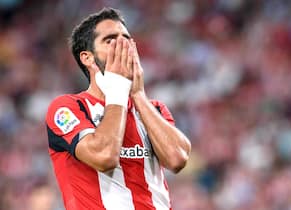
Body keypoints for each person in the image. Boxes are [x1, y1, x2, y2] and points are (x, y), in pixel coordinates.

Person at [45, 7, 191, 210]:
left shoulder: (154, 109)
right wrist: (118, 92)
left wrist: (138, 95)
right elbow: (104, 157)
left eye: (127, 39)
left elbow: (177, 159)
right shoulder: (68, 107)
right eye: (111, 40)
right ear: (87, 57)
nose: (123, 45)